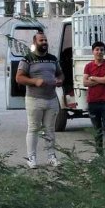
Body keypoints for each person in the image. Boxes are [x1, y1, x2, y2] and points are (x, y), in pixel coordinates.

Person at [15, 32, 64, 169]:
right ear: (35, 42)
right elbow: (19, 78)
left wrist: (60, 80)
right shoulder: (27, 59)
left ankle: (51, 156)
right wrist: (34, 81)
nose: (44, 42)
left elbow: (60, 73)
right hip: (34, 99)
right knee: (33, 128)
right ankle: (31, 158)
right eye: (41, 40)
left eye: (46, 40)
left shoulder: (53, 59)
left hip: (52, 99)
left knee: (50, 129)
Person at [84, 41, 105, 155]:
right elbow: (85, 82)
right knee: (97, 130)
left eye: (102, 50)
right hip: (93, 102)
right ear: (93, 51)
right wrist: (102, 79)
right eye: (97, 49)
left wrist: (93, 78)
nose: (99, 52)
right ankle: (99, 154)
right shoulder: (88, 66)